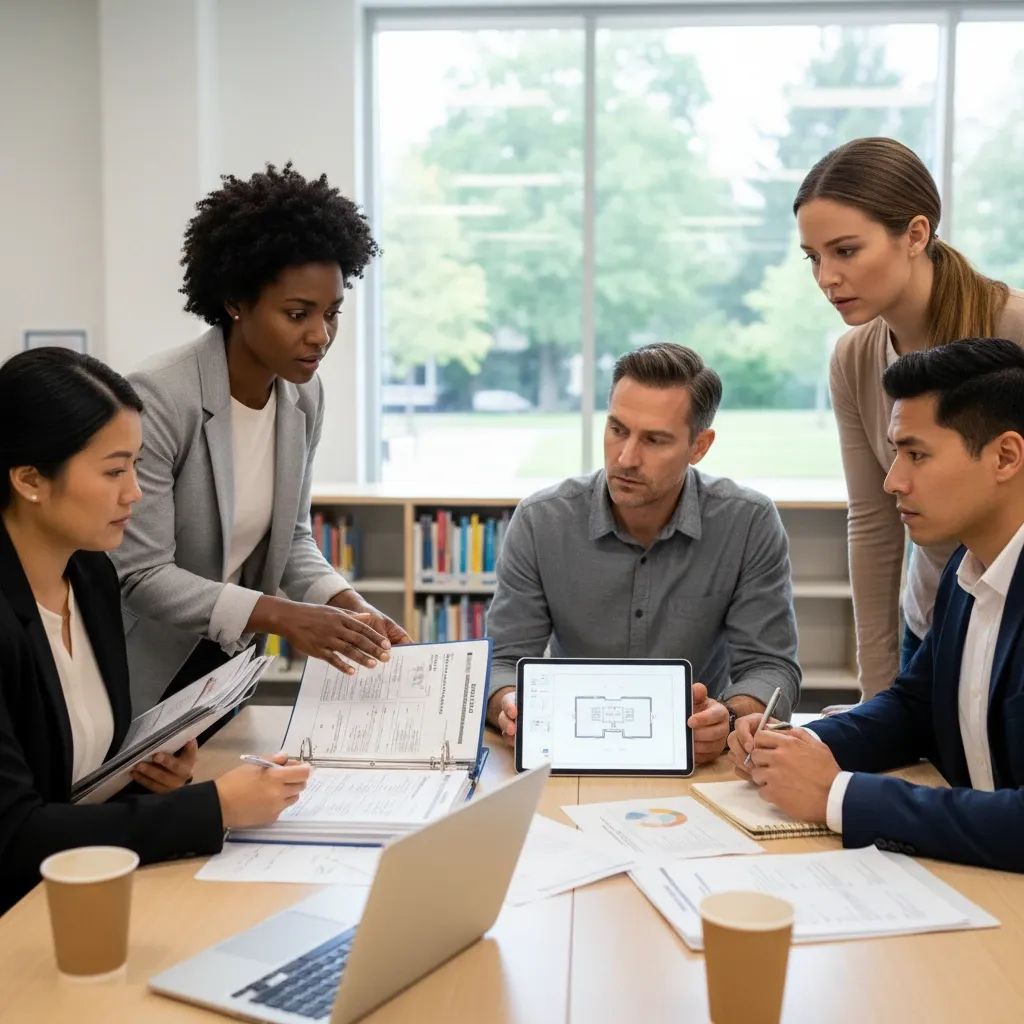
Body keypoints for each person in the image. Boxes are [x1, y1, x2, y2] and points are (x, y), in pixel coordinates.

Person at [0, 348, 310, 914]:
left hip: (83, 894)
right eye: (115, 471)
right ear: (30, 480)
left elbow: (72, 788)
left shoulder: (91, 576)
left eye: (136, 468)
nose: (134, 494)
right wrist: (211, 807)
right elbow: (16, 836)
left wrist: (143, 779)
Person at [111, 164, 411, 714]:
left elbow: (290, 540)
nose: (320, 335)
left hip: (224, 669)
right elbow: (141, 575)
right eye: (297, 314)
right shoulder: (159, 396)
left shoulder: (304, 397)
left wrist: (348, 607)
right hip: (142, 668)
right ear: (236, 302)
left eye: (331, 313)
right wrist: (283, 616)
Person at [729, 338, 1024, 872]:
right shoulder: (965, 571)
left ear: (1005, 456)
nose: (893, 481)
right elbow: (915, 709)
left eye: (917, 454)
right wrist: (798, 742)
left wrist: (835, 795)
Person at [486, 343, 801, 765]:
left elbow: (771, 667)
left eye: (654, 440)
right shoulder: (541, 521)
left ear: (699, 447)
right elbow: (502, 660)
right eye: (617, 429)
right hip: (566, 750)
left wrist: (726, 717)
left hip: (692, 756)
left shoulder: (748, 522)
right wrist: (511, 706)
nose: (626, 458)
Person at [794, 137, 1024, 699]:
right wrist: (876, 689)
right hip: (930, 624)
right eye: (813, 257)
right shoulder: (853, 358)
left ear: (916, 234)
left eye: (845, 251)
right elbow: (874, 522)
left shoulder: (1014, 329)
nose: (826, 277)